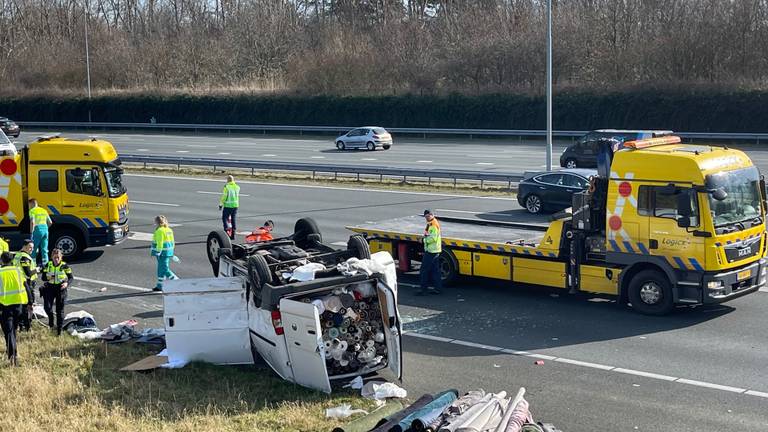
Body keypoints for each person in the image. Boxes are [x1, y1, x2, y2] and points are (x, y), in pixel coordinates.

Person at [0, 251, 27, 366]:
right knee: (13, 331)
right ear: (11, 260)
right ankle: (12, 351)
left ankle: (13, 357)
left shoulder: (0, 272)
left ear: (1, 260)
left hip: (5, 307)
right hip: (18, 306)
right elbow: (26, 286)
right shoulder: (17, 270)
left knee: (9, 332)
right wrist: (30, 303)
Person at [41, 249, 73, 335]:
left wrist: (66, 283)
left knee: (60, 310)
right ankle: (51, 321)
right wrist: (49, 277)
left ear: (61, 257)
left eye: (58, 257)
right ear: (51, 257)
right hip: (50, 288)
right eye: (55, 257)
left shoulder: (64, 266)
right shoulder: (48, 265)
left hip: (61, 288)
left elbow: (71, 277)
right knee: (47, 308)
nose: (56, 259)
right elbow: (43, 278)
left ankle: (59, 331)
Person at [12, 240, 36, 332]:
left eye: (33, 248)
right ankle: (27, 326)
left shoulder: (17, 255)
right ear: (24, 246)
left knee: (22, 305)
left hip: (19, 282)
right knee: (28, 305)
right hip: (27, 283)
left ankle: (21, 325)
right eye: (30, 247)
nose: (32, 249)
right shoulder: (24, 257)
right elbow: (28, 273)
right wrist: (37, 270)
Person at [418, 209, 442, 296]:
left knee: (424, 270)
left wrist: (424, 240)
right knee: (435, 271)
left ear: (432, 215)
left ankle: (423, 290)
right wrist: (424, 237)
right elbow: (427, 234)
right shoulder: (430, 223)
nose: (427, 218)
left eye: (428, 216)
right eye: (426, 217)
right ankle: (437, 289)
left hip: (431, 251)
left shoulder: (434, 225)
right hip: (434, 250)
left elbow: (433, 238)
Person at [151, 215, 178, 291]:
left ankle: (177, 281)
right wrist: (172, 252)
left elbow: (160, 242)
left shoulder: (159, 231)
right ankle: (160, 285)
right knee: (161, 269)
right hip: (168, 252)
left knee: (164, 269)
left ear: (157, 222)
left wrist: (158, 252)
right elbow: (172, 242)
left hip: (162, 253)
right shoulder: (169, 230)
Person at [28, 198, 52, 267]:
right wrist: (45, 228)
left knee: (33, 249)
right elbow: (50, 222)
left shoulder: (32, 211)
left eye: (29, 205)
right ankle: (46, 266)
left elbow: (32, 222)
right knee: (44, 250)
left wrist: (31, 233)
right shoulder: (44, 210)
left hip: (37, 230)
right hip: (45, 230)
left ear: (31, 204)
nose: (29, 207)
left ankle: (33, 265)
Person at [219, 175, 240, 240]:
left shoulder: (226, 187)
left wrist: (220, 205)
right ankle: (233, 234)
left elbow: (224, 197)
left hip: (228, 206)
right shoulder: (237, 187)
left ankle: (226, 231)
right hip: (235, 205)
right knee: (233, 219)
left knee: (224, 218)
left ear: (227, 180)